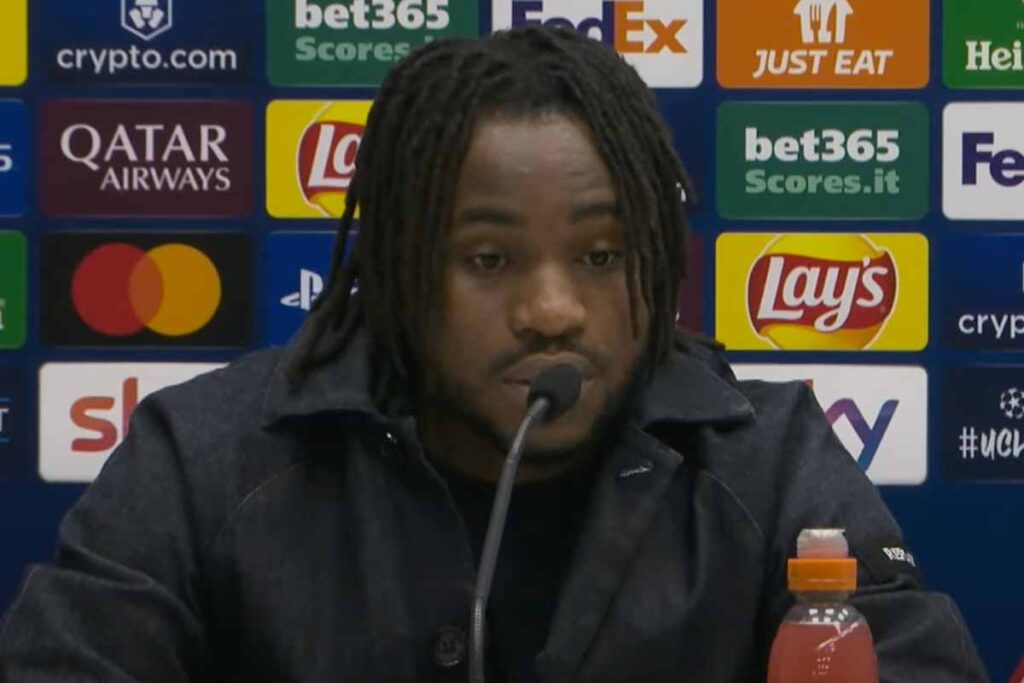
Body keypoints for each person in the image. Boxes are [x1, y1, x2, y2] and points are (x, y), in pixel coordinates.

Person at [0, 25, 988, 682]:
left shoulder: (770, 464)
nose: (552, 310)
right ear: (397, 268)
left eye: (601, 256)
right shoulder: (203, 461)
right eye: (488, 258)